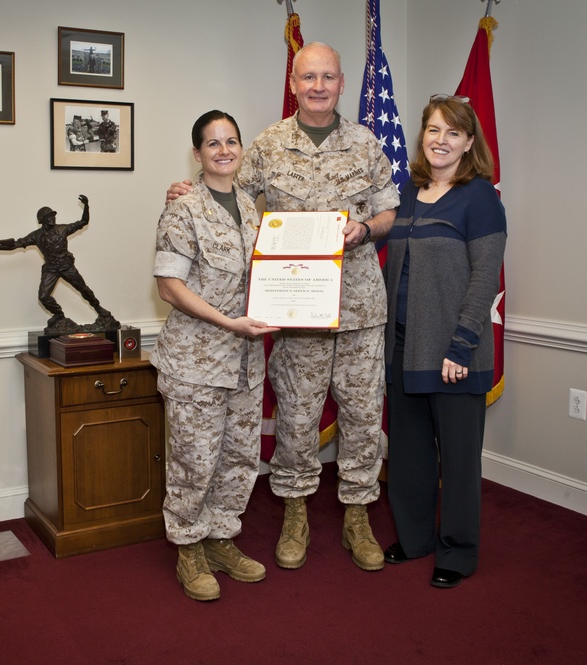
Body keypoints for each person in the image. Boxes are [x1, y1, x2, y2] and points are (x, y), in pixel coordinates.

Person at [167, 42, 398, 572]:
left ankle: (357, 519)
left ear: (342, 84)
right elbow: (226, 198)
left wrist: (364, 229)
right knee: (296, 416)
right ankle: (295, 514)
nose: (318, 86)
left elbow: (389, 211)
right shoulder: (268, 145)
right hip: (296, 311)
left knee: (364, 418)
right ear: (293, 83)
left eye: (328, 78)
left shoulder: (366, 143)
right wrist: (184, 191)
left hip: (360, 308)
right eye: (307, 77)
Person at [152, 110, 279, 601]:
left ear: (241, 149)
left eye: (231, 142)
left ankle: (222, 539)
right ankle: (188, 549)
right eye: (213, 144)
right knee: (194, 461)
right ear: (198, 153)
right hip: (197, 362)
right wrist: (229, 323)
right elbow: (168, 287)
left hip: (247, 363)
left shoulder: (252, 209)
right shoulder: (183, 210)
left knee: (239, 458)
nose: (223, 151)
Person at [380, 94, 506, 588]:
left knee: (456, 460)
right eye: (433, 130)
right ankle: (415, 539)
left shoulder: (480, 198)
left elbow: (484, 278)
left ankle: (458, 551)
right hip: (404, 349)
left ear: (469, 142)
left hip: (455, 351)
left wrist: (461, 344)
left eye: (453, 132)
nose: (441, 140)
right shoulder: (409, 193)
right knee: (409, 454)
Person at [0, 195, 116, 330]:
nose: (53, 218)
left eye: (53, 216)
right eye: (49, 217)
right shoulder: (36, 235)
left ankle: (98, 308)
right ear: (42, 220)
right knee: (43, 296)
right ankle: (58, 314)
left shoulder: (63, 229)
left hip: (66, 266)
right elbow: (17, 243)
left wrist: (86, 206)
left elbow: (83, 221)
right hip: (51, 269)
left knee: (83, 289)